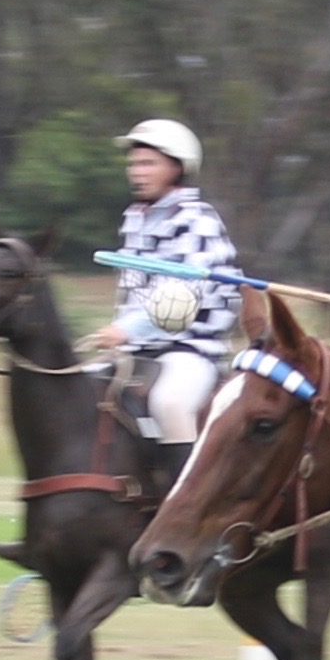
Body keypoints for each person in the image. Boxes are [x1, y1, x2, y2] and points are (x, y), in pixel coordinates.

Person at [89, 117, 240, 481]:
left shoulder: (196, 220)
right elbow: (134, 292)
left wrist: (126, 330)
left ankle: (183, 501)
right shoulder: (135, 218)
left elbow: (182, 300)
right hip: (138, 349)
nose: (136, 172)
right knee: (80, 390)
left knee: (169, 403)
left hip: (190, 349)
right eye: (133, 164)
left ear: (177, 167)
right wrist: (122, 335)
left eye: (148, 163)